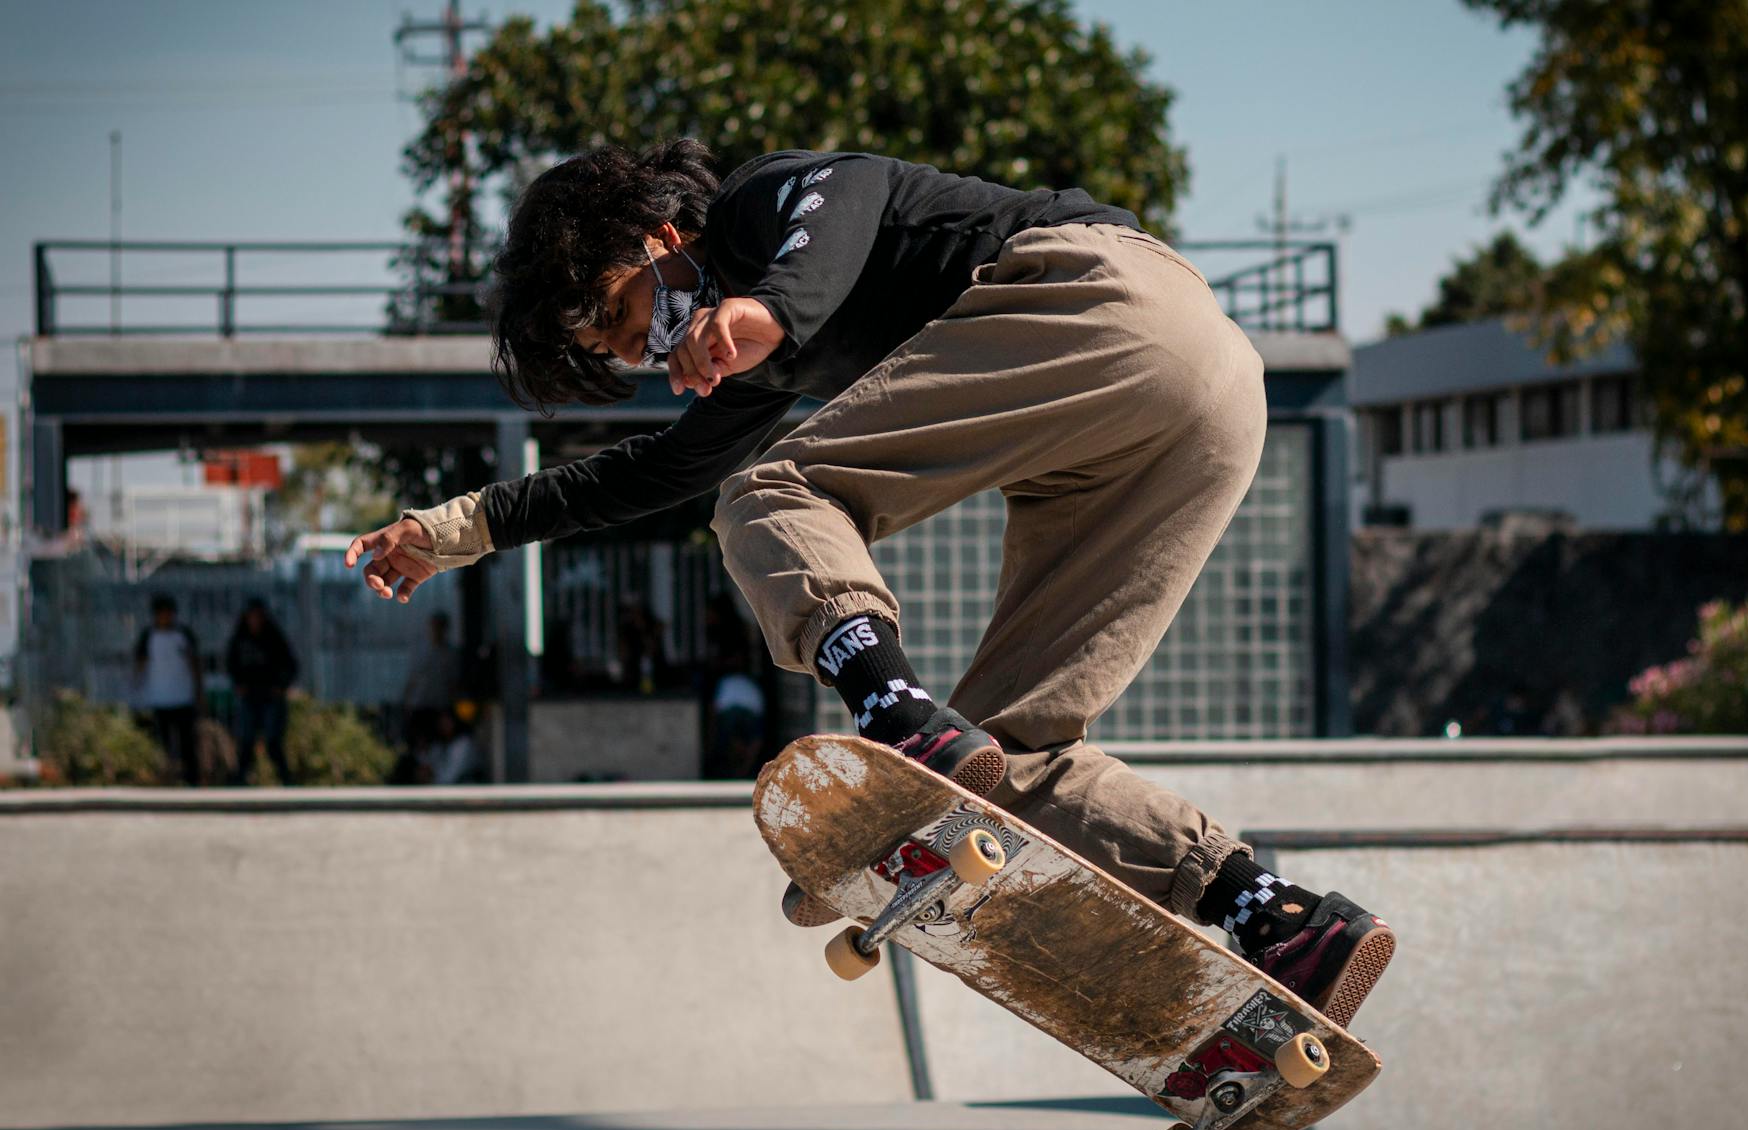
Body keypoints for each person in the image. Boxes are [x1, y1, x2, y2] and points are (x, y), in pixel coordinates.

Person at [345, 141, 1395, 1026]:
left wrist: (769, 307)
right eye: (632, 357)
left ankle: (894, 715)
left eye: (639, 319)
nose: (661, 356)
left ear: (657, 242)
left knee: (768, 496)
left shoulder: (760, 209)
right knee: (1004, 767)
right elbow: (656, 470)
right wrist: (457, 529)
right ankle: (1272, 912)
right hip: (1198, 409)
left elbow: (846, 200)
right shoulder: (750, 361)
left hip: (1106, 297)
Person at [225, 598, 298, 785]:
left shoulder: (274, 638)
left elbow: (291, 665)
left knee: (273, 741)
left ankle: (286, 780)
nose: (255, 620)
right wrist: (238, 684)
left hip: (271, 695)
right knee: (246, 740)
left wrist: (281, 687)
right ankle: (240, 780)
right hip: (249, 695)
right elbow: (230, 664)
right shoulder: (240, 639)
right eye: (252, 616)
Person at [132, 593, 202, 786]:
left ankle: (191, 780)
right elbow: (140, 664)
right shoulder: (149, 636)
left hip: (183, 696)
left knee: (187, 742)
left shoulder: (183, 635)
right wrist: (137, 690)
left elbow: (195, 664)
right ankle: (166, 779)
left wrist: (198, 691)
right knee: (162, 743)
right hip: (159, 697)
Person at [400, 612, 460, 749]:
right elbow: (412, 679)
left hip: (440, 706)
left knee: (438, 744)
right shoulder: (421, 651)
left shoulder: (450, 654)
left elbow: (453, 683)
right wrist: (406, 702)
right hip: (420, 706)